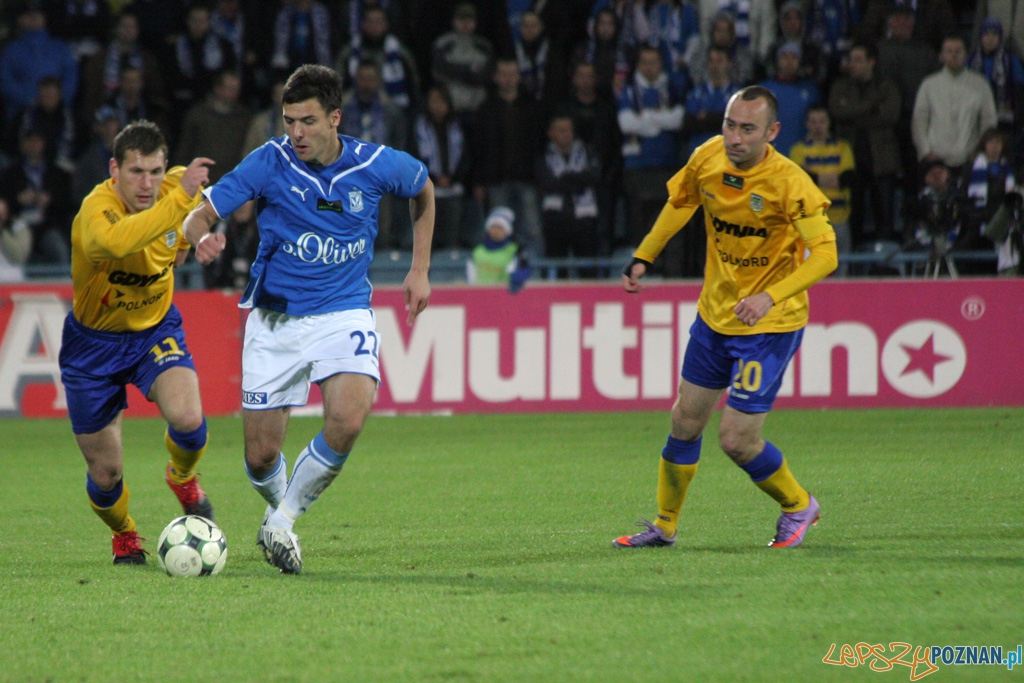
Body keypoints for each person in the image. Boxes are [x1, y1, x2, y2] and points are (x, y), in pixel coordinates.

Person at [183, 64, 435, 575]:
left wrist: (420, 269)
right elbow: (199, 215)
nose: (296, 133)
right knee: (259, 457)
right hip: (275, 320)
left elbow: (423, 189)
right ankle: (278, 515)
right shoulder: (268, 163)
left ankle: (282, 522)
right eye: (288, 120)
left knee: (349, 417)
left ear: (335, 118)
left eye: (307, 121)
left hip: (343, 311)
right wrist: (200, 238)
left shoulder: (375, 163)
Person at [614, 86, 837, 550]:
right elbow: (681, 203)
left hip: (769, 327)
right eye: (729, 125)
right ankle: (664, 525)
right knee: (684, 420)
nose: (735, 137)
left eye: (747, 129)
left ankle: (798, 504)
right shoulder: (707, 158)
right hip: (715, 317)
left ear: (772, 132)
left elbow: (826, 256)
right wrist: (644, 256)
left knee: (736, 439)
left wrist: (770, 298)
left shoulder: (790, 182)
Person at [58, 120, 215, 565]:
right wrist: (182, 201)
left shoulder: (176, 188)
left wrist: (200, 238)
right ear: (114, 169)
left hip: (155, 331)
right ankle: (124, 532)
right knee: (105, 475)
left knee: (188, 418)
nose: (146, 183)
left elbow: (186, 232)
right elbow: (120, 240)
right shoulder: (96, 212)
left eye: (154, 171)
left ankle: (182, 477)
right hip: (93, 346)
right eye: (135, 172)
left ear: (164, 167)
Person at [827, 41, 901, 245]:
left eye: (859, 60)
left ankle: (885, 268)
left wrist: (853, 113)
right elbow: (837, 112)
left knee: (884, 217)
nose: (853, 64)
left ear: (872, 62)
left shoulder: (886, 85)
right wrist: (870, 107)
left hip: (881, 160)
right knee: (854, 219)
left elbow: (890, 116)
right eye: (851, 60)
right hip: (850, 163)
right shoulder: (840, 86)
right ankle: (854, 270)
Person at [912, 35, 998, 173]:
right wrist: (925, 151)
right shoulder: (929, 85)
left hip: (970, 158)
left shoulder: (980, 84)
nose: (954, 55)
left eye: (958, 51)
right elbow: (919, 120)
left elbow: (989, 120)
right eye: (949, 51)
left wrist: (980, 150)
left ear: (966, 54)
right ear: (941, 56)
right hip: (936, 159)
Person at [789, 105, 855, 273]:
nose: (818, 126)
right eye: (813, 122)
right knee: (811, 271)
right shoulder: (798, 150)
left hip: (839, 217)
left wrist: (816, 178)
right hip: (810, 219)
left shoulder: (843, 147)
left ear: (828, 123)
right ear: (807, 124)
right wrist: (832, 178)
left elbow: (847, 179)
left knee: (842, 268)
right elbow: (802, 182)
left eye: (822, 121)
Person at [466, 205, 531, 290]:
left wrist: (519, 276)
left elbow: (524, 268)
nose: (496, 231)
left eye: (500, 228)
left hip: (503, 295)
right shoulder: (477, 249)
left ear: (507, 231)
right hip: (479, 293)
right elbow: (470, 273)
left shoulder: (516, 250)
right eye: (493, 227)